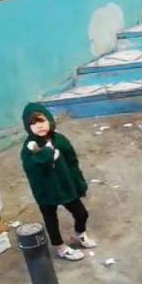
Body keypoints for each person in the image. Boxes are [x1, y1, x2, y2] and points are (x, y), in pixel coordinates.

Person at [20, 103, 95, 262]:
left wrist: (78, 182)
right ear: (28, 127)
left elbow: (72, 162)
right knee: (51, 219)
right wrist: (46, 152)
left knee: (81, 213)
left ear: (49, 121)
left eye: (41, 121)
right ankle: (59, 246)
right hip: (45, 190)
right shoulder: (29, 147)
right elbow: (32, 167)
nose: (38, 126)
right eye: (32, 123)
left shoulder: (60, 140)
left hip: (65, 186)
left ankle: (79, 233)